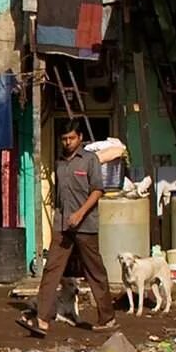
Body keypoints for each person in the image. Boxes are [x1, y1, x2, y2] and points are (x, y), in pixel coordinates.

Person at [23, 123, 115, 336]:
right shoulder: (60, 163)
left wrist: (80, 214)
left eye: (71, 139)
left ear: (80, 138)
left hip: (86, 225)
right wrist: (60, 218)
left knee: (95, 272)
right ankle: (42, 320)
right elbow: (59, 197)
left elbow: (98, 190)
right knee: (51, 270)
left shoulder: (90, 160)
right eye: (64, 139)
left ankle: (107, 318)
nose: (67, 143)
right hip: (62, 226)